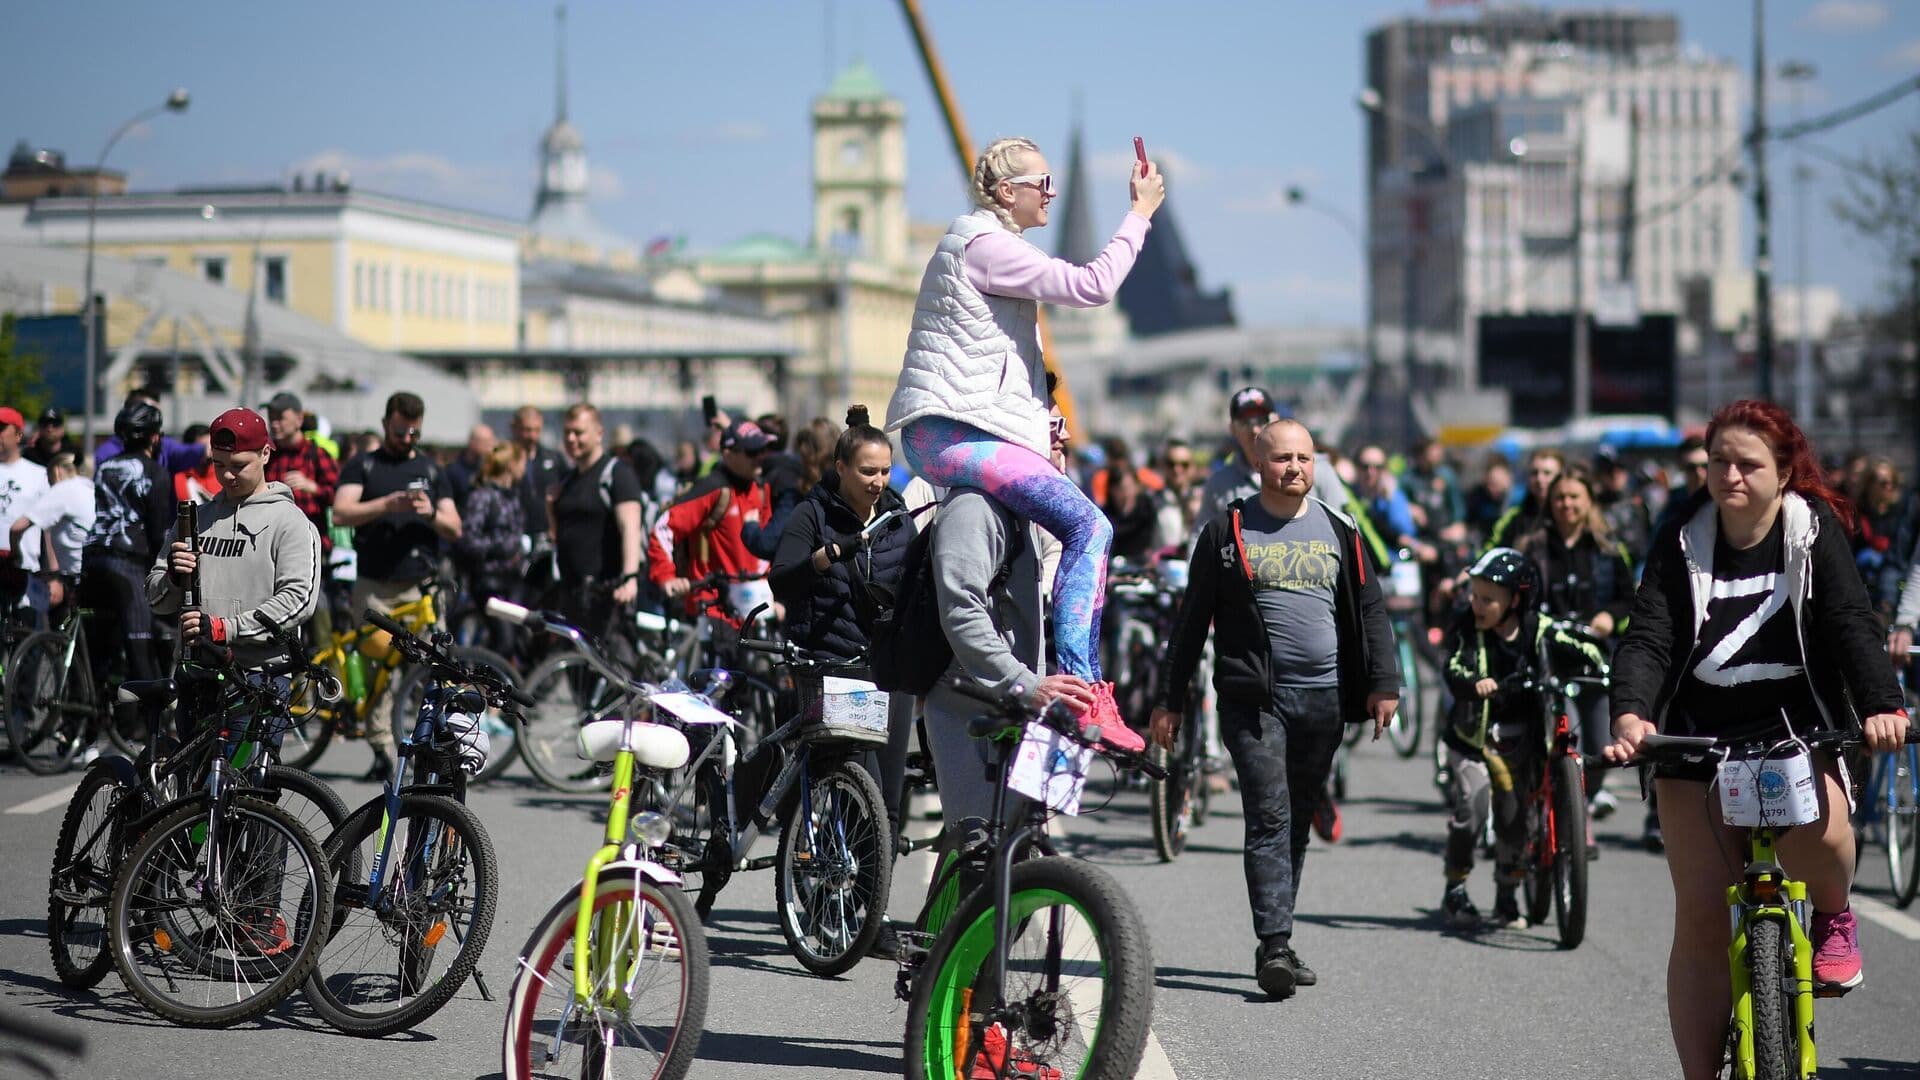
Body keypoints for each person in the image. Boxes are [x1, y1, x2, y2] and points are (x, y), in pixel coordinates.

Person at [1603, 399, 1910, 1080]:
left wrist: (1883, 706)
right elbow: (1649, 634)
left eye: (1748, 465)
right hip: (1697, 736)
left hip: (1796, 727)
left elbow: (1850, 623)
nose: (1731, 476)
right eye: (1719, 463)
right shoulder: (1681, 534)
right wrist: (1632, 715)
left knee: (1826, 839)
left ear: (1783, 472)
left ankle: (1832, 914)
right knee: (1704, 920)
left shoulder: (1810, 530)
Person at [885, 134, 1164, 742]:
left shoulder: (989, 251)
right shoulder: (986, 246)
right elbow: (1093, 285)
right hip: (951, 434)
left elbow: (1004, 367)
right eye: (1042, 183)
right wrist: (1139, 215)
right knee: (1091, 526)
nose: (1052, 193)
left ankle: (1059, 696)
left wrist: (1046, 424)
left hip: (965, 430)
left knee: (1055, 537)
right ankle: (1083, 689)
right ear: (1007, 192)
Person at [1148, 418, 1399, 1000]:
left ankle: (1278, 936)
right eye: (1283, 458)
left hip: (1326, 700)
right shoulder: (1227, 531)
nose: (1295, 468)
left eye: (1305, 459)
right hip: (1254, 701)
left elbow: (1371, 609)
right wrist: (1168, 700)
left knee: (1297, 818)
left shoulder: (1340, 529)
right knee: (1268, 814)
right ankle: (1275, 945)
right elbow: (1190, 622)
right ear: (1259, 463)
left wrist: (1384, 683)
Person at [769, 404, 918, 957]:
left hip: (891, 670)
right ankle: (829, 898)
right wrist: (820, 560)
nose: (878, 482)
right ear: (839, 468)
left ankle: (864, 913)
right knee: (860, 785)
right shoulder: (813, 514)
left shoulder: (898, 514)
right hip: (835, 666)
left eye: (885, 471)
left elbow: (913, 587)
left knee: (890, 801)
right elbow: (780, 580)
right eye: (867, 471)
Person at [1437, 547, 1605, 929]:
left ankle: (1507, 895)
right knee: (1474, 807)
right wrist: (1472, 682)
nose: (1476, 605)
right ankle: (1456, 887)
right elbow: (1452, 666)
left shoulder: (1538, 627)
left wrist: (1601, 665)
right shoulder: (1466, 627)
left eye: (1487, 599)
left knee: (1514, 817)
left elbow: (1581, 646)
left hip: (1522, 737)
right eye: (1474, 596)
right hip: (1472, 740)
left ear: (1516, 600)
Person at [147, 406, 321, 703]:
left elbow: (298, 600)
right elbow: (155, 600)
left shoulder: (291, 522)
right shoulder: (194, 519)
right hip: (195, 670)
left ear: (265, 454)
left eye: (239, 465)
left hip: (259, 675)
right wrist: (174, 578)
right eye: (218, 464)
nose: (227, 475)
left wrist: (225, 628)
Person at [331, 392, 461, 780]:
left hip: (420, 585)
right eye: (401, 430)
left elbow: (455, 528)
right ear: (387, 422)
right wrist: (386, 505)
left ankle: (433, 744)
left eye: (414, 432)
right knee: (378, 671)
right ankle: (381, 750)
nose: (407, 438)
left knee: (433, 666)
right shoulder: (364, 465)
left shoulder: (432, 470)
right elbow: (342, 511)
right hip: (375, 585)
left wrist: (431, 512)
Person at [1517, 467, 1634, 824]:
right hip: (1549, 660)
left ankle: (1585, 796)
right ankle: (1569, 820)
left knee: (1601, 748)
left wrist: (1609, 619)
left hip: (1594, 659)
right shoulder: (1531, 548)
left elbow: (1628, 599)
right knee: (1567, 742)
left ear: (1588, 502)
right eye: (1559, 498)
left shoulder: (1609, 548)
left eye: (1573, 497)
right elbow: (1520, 602)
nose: (1566, 504)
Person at [81, 402, 173, 685]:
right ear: (155, 437)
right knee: (139, 648)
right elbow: (158, 533)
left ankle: (86, 713)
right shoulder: (155, 472)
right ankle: (144, 728)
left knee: (99, 644)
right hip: (127, 563)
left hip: (92, 558)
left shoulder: (104, 467)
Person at [647, 418, 773, 622]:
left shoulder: (761, 489)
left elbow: (767, 550)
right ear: (728, 454)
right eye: (752, 452)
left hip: (757, 608)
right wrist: (666, 577)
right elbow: (664, 528)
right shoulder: (713, 488)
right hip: (714, 609)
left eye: (763, 449)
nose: (760, 457)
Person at [550, 403, 644, 641]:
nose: (571, 439)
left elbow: (630, 527)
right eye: (567, 433)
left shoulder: (617, 474)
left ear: (598, 433)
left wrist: (630, 578)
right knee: (577, 673)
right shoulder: (568, 479)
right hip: (571, 592)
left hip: (605, 595)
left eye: (579, 432)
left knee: (611, 671)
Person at [455, 443, 526, 636]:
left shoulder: (513, 496)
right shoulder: (482, 497)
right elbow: (468, 539)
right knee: (504, 639)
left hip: (511, 579)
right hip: (488, 580)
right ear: (511, 465)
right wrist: (501, 546)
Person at [11, 451, 93, 612]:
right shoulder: (90, 487)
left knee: (52, 614)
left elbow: (17, 528)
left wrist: (17, 556)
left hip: (77, 575)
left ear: (56, 471)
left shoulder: (63, 489)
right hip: (97, 568)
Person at [1196, 388, 1277, 526]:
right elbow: (1201, 539)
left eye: (1261, 420)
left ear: (1276, 420)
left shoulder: (1310, 471)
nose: (1254, 430)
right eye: (1245, 423)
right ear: (1232, 429)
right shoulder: (1219, 484)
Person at [0, 405, 52, 618]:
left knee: (26, 635)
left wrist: (52, 574)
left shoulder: (38, 474)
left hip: (26, 567)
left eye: (3, 429)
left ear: (19, 434)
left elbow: (50, 527)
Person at [92, 388, 206, 476]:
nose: (155, 418)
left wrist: (209, 447)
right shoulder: (107, 453)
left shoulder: (164, 446)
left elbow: (187, 452)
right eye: (149, 412)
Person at [510, 405, 567, 555]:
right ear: (515, 428)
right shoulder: (505, 460)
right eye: (527, 430)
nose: (532, 436)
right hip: (514, 536)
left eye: (536, 430)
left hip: (546, 536)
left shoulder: (553, 458)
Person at [1486, 447, 1563, 550]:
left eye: (1547, 473)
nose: (1539, 479)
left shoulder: (1570, 513)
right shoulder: (1514, 518)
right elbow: (1492, 550)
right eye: (1534, 473)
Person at [1463, 454, 1514, 546]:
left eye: (1496, 484)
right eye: (1489, 484)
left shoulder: (1518, 499)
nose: (1491, 489)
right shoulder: (1477, 497)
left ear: (1508, 479)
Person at [446, 423, 497, 510]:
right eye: (486, 442)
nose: (490, 447)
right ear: (472, 442)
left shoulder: (492, 469)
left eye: (492, 441)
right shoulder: (453, 471)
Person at [173, 423, 222, 504]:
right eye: (203, 447)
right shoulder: (178, 478)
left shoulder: (222, 475)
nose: (209, 451)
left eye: (212, 445)